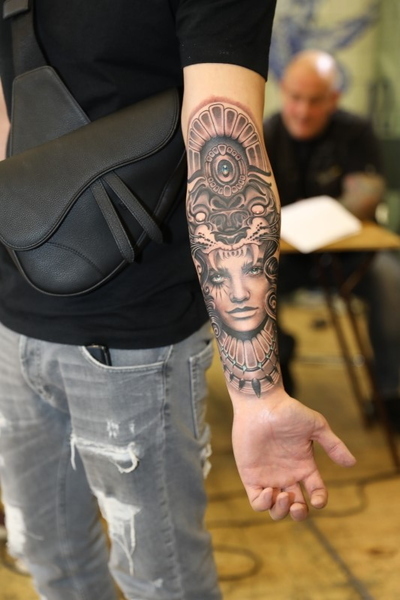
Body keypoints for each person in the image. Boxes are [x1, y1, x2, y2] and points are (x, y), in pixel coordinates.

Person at [0, 5, 355, 600]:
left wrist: (257, 392)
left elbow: (224, 147)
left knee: (161, 582)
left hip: (138, 338)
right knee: (50, 561)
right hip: (12, 321)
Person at [263, 49, 400, 423]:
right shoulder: (265, 134)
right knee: (249, 286)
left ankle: (392, 393)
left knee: (389, 279)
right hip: (284, 259)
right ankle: (277, 372)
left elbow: (367, 195)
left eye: (315, 100)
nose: (303, 111)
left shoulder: (355, 132)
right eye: (296, 97)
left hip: (345, 255)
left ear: (334, 98)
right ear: (282, 91)